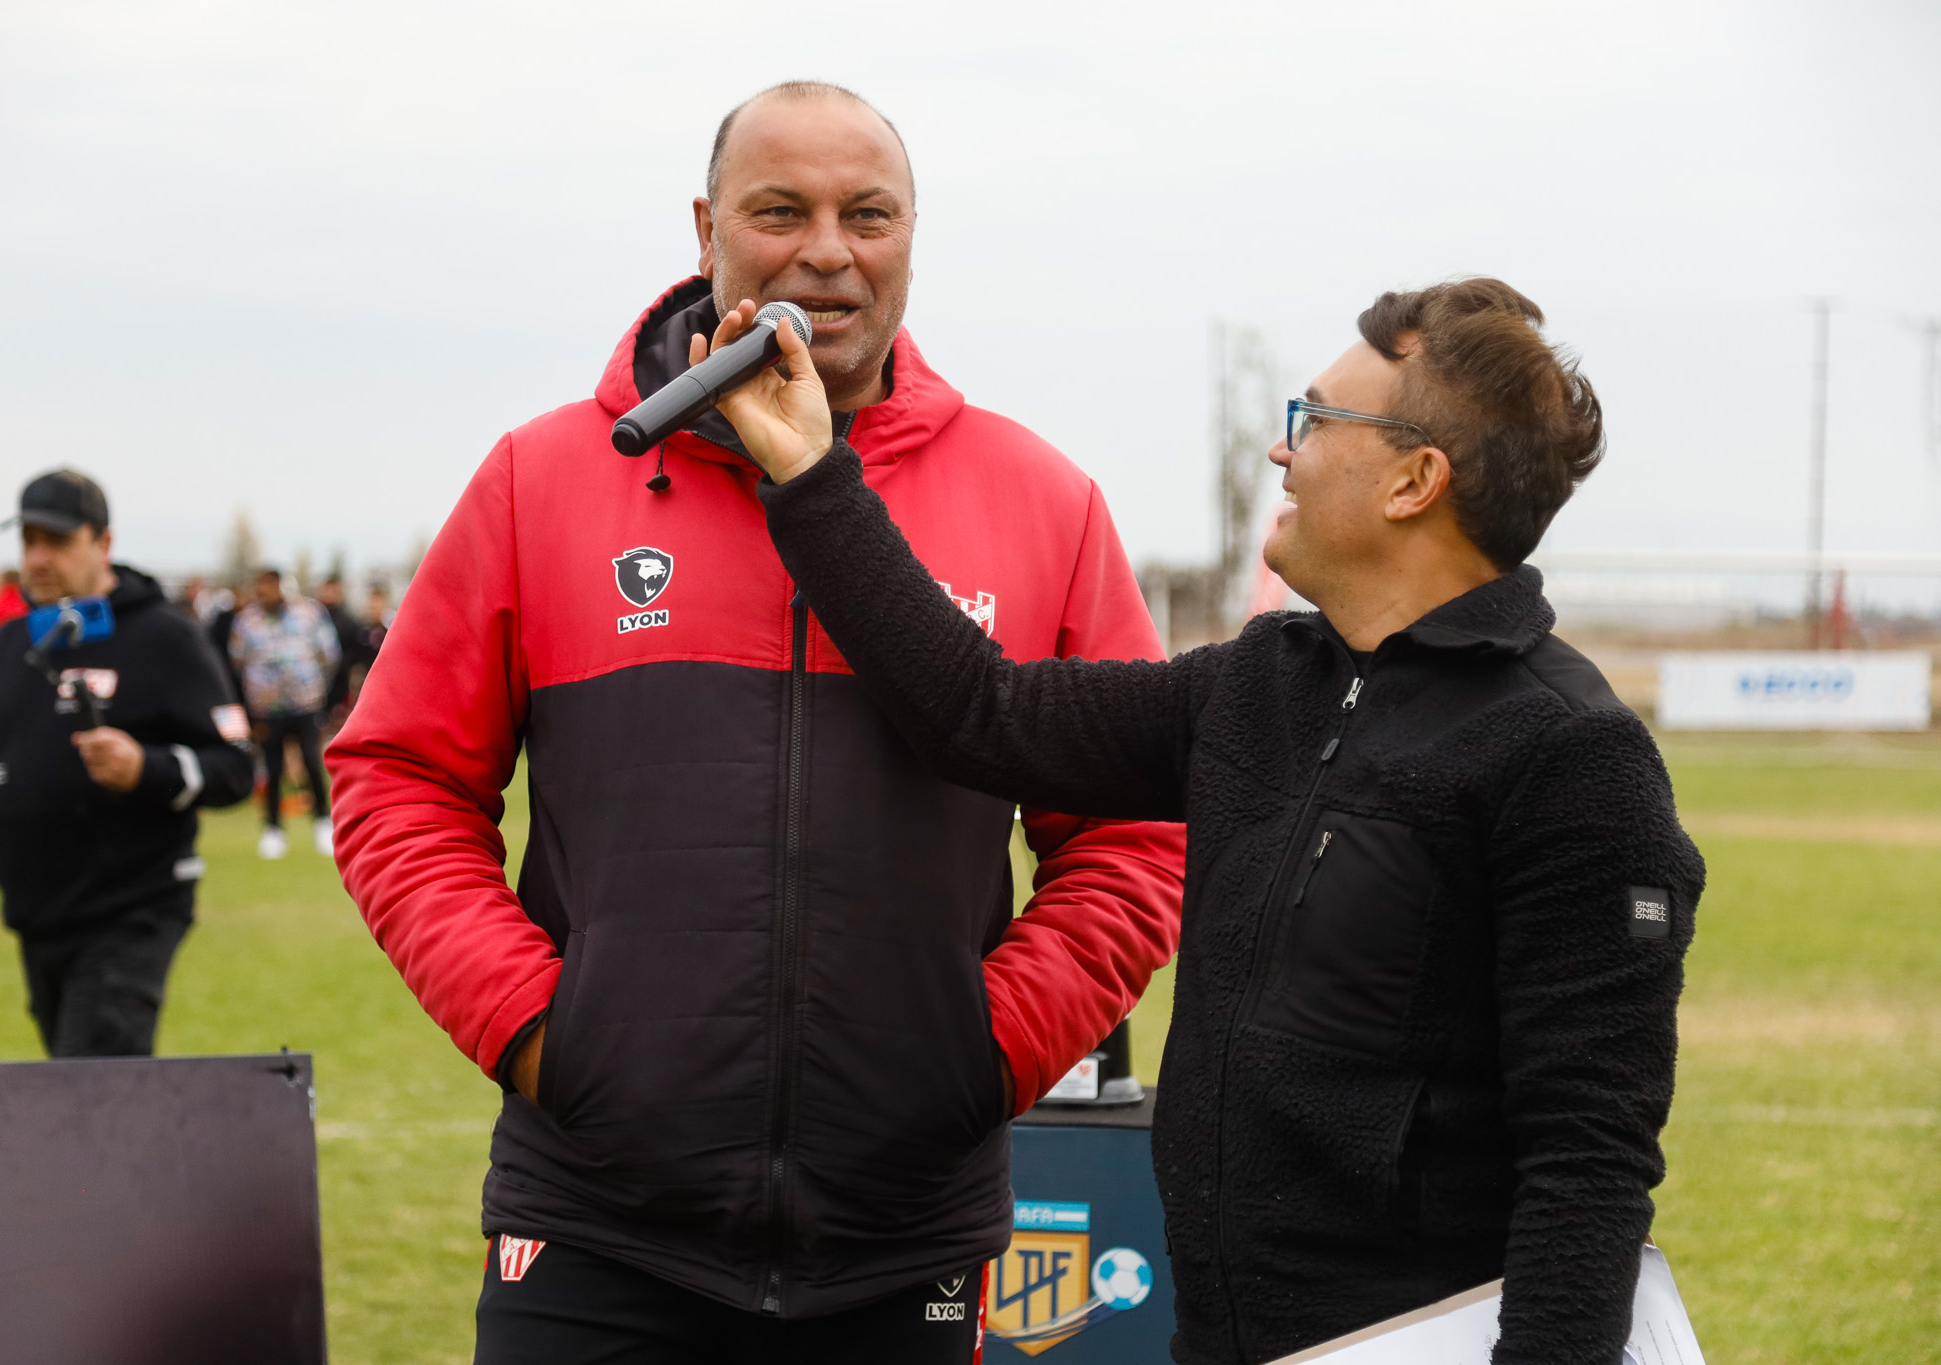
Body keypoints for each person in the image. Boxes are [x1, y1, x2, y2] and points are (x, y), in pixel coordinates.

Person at [327, 80, 1186, 1364]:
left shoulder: (1039, 497)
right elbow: (396, 777)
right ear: (705, 229)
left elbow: (1134, 828)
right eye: (780, 211)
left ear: (910, 235)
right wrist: (540, 1032)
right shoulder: (540, 477)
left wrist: (991, 1049)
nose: (828, 251)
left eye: (868, 215)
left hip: (904, 1236)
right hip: (598, 1227)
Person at [712, 278, 1706, 1365]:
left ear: (1414, 481)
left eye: (1313, 420)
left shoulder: (1572, 757)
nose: (1282, 451)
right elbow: (981, 713)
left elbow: (1588, 1163)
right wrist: (813, 475)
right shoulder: (1257, 684)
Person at [0, 469, 253, 1056]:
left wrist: (146, 768)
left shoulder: (167, 638)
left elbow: (235, 767)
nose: (38, 558)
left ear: (103, 543)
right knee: (83, 1092)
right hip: (36, 913)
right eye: (29, 541)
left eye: (57, 541)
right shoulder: (6, 646)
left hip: (132, 910)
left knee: (90, 1088)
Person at [228, 568, 340, 859]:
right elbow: (237, 661)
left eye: (269, 587)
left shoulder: (308, 613)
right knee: (272, 768)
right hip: (266, 709)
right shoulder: (247, 620)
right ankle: (273, 829)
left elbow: (329, 655)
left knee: (312, 763)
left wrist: (318, 688)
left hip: (305, 704)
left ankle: (322, 821)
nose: (264, 593)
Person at [314, 574, 366, 725]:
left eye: (332, 590)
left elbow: (355, 654)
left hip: (339, 684)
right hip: (315, 684)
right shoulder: (313, 618)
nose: (328, 594)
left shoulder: (350, 623)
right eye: (326, 590)